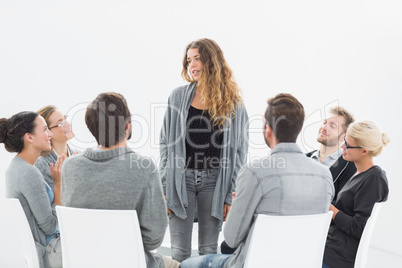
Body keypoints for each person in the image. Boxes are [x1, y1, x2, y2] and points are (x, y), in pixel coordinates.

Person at [180, 93, 335, 268]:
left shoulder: (255, 173)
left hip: (255, 263)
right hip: (302, 264)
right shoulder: (324, 176)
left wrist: (239, 204)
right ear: (299, 130)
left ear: (267, 129)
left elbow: (231, 239)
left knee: (186, 264)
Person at [61, 92, 179, 268]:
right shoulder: (143, 167)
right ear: (128, 125)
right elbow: (154, 239)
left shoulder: (69, 167)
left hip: (85, 262)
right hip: (132, 262)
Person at [159, 38, 249, 262]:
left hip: (215, 181)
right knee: (179, 252)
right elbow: (164, 143)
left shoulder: (233, 102)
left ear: (212, 60)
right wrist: (164, 184)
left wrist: (230, 194)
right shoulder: (178, 96)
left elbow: (239, 151)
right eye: (189, 60)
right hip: (180, 180)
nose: (192, 65)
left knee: (208, 252)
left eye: (197, 58)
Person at [1, 111, 65, 268]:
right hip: (50, 251)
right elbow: (50, 226)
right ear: (29, 137)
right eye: (44, 129)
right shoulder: (29, 172)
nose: (50, 134)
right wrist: (58, 184)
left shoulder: (16, 167)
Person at [323, 121, 389, 268]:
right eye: (344, 141)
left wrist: (330, 208)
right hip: (329, 245)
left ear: (364, 151)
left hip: (337, 257)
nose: (342, 147)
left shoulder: (374, 179)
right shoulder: (359, 173)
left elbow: (359, 227)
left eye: (348, 145)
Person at [306, 106, 356, 201]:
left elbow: (342, 204)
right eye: (325, 123)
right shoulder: (303, 158)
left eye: (332, 126)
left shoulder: (350, 166)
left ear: (343, 137)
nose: (324, 128)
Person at [35, 105, 79, 191]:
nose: (68, 124)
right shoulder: (42, 164)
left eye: (65, 119)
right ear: (47, 132)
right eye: (61, 123)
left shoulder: (79, 155)